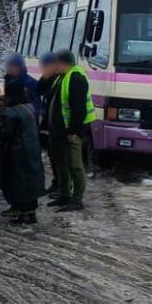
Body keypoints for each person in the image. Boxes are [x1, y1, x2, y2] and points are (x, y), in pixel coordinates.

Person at [47, 50, 93, 212]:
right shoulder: (61, 77)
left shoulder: (76, 78)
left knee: (75, 165)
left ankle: (77, 199)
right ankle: (64, 195)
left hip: (71, 131)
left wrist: (73, 131)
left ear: (63, 63)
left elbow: (78, 108)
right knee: (61, 164)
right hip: (59, 131)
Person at [0, 79, 46, 224]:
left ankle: (22, 213)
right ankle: (31, 213)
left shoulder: (9, 112)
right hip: (32, 148)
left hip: (17, 152)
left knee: (19, 182)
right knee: (31, 181)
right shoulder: (30, 107)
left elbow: (7, 134)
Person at [35, 52, 61, 195]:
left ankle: (61, 185)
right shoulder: (49, 78)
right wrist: (44, 78)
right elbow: (37, 91)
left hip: (58, 124)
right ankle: (56, 183)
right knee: (52, 155)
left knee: (59, 158)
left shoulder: (60, 79)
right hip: (48, 122)